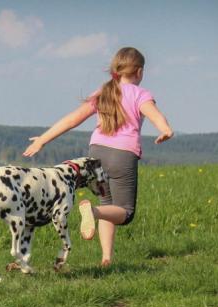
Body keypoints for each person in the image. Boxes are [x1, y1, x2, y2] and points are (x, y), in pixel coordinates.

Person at [23, 47, 173, 267]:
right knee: (125, 212)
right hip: (123, 155)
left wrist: (42, 139)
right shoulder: (140, 94)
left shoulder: (104, 92)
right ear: (139, 72)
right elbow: (154, 114)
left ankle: (106, 259)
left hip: (96, 153)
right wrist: (165, 129)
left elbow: (72, 119)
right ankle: (91, 212)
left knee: (107, 204)